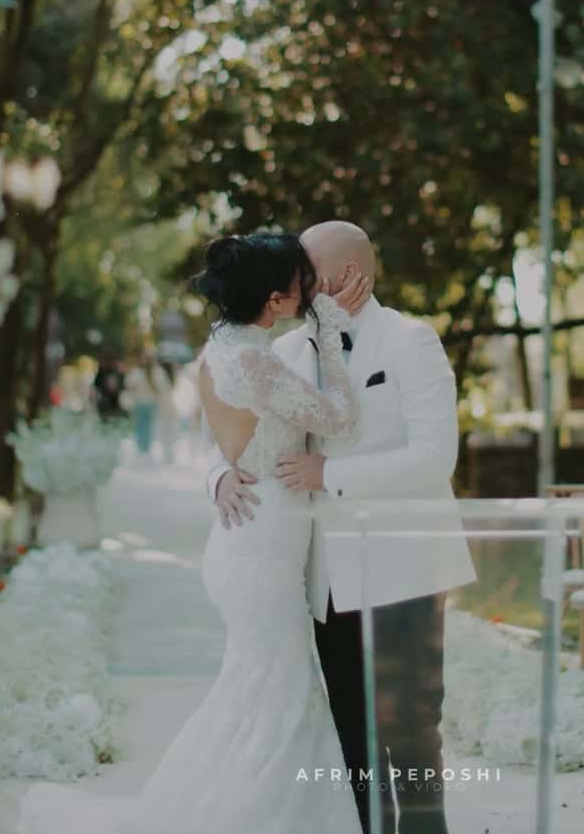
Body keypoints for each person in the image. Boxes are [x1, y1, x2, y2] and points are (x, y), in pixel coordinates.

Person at [209, 221, 476, 834]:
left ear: (353, 274)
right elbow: (238, 437)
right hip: (324, 573)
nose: (297, 285)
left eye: (310, 272)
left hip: (404, 567)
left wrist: (330, 473)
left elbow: (436, 457)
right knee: (351, 738)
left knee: (411, 730)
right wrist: (215, 479)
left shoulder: (412, 340)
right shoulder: (283, 352)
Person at [123, 232, 373, 833]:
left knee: (260, 701)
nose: (312, 288)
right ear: (276, 300)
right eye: (301, 281)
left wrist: (217, 473)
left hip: (247, 541)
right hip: (261, 551)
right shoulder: (257, 362)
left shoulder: (218, 348)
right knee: (279, 703)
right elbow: (341, 416)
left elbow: (224, 439)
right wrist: (334, 339)